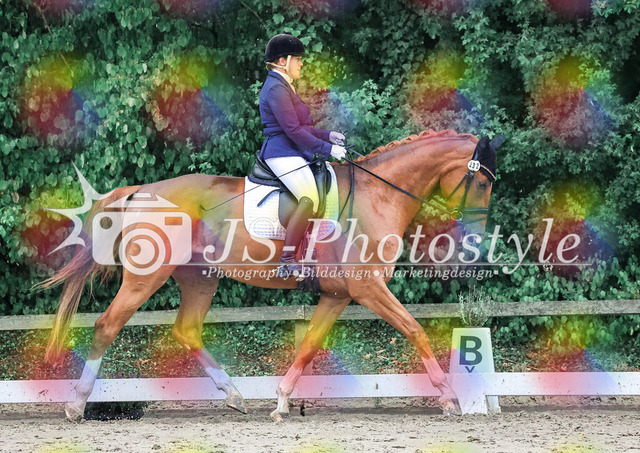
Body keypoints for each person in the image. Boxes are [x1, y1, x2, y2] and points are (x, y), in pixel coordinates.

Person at [259, 33, 347, 278]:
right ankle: (287, 260)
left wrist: (328, 135)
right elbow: (293, 130)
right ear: (282, 61)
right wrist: (328, 150)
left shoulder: (284, 85)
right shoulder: (276, 88)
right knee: (308, 199)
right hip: (281, 153)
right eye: (297, 59)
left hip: (292, 151)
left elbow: (302, 127)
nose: (301, 63)